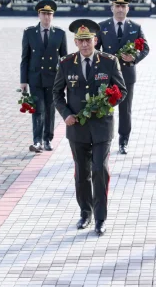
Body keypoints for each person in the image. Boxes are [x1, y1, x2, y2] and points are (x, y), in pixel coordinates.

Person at [53, 19, 127, 235]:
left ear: (95, 40)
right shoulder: (66, 63)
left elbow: (121, 91)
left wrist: (107, 104)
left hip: (102, 126)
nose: (85, 45)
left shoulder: (109, 61)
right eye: (81, 41)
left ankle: (100, 217)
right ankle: (85, 212)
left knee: (99, 170)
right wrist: (65, 114)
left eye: (89, 40)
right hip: (77, 127)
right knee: (82, 172)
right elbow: (57, 93)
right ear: (75, 42)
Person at [95, 0, 150, 155]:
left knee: (125, 109)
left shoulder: (135, 27)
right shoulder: (102, 26)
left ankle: (123, 140)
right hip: (107, 75)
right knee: (105, 107)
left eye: (123, 6)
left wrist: (134, 57)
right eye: (117, 6)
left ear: (128, 8)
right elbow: (95, 50)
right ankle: (104, 139)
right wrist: (104, 61)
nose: (120, 9)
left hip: (127, 74)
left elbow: (145, 48)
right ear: (112, 8)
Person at [20, 0, 67, 152]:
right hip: (35, 77)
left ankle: (48, 139)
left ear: (53, 16)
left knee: (50, 109)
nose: (47, 17)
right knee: (37, 109)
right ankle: (37, 140)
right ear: (38, 15)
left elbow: (64, 59)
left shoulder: (60, 34)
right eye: (44, 14)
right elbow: (25, 58)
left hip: (53, 78)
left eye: (50, 14)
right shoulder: (29, 32)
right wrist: (23, 81)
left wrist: (65, 80)